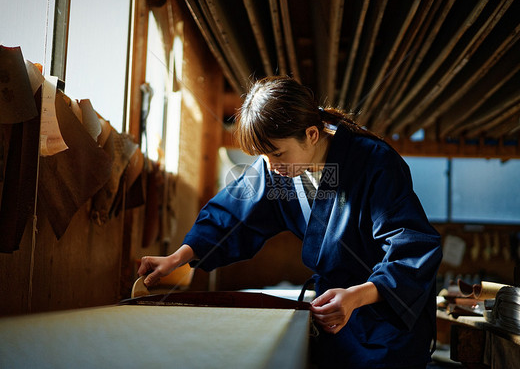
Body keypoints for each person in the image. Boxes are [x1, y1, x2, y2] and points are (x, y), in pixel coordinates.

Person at [138, 76, 442, 368]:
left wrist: (356, 295)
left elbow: (412, 247)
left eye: (277, 153)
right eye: (263, 156)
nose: (271, 166)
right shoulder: (278, 169)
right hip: (334, 315)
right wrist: (178, 258)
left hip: (383, 316)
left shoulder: (374, 162)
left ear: (311, 134)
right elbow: (232, 214)